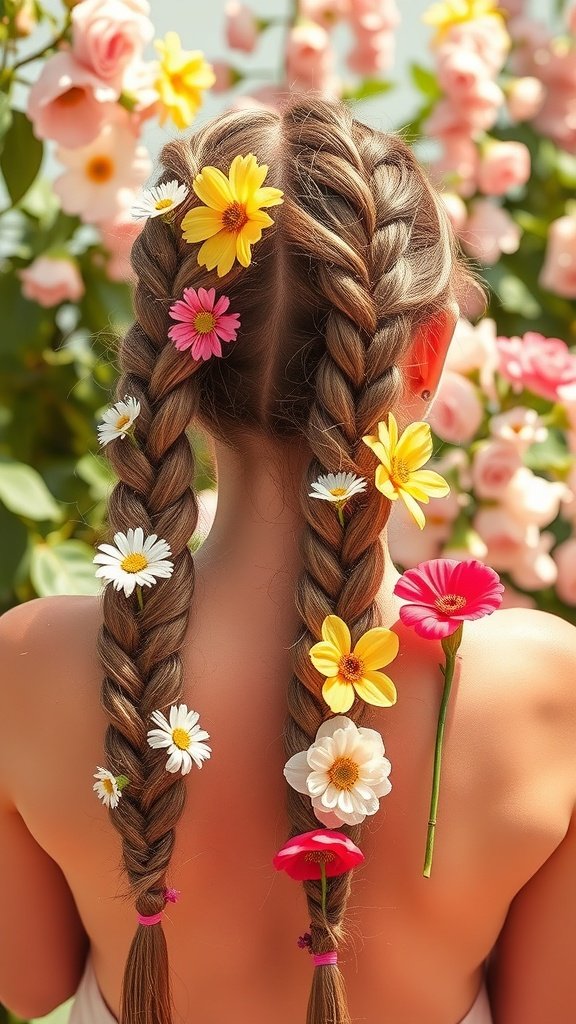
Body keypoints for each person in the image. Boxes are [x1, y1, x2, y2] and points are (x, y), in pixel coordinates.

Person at [0, 98, 575, 1024]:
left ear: (167, 357)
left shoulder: (26, 666)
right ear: (423, 358)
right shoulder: (550, 689)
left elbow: (26, 985)